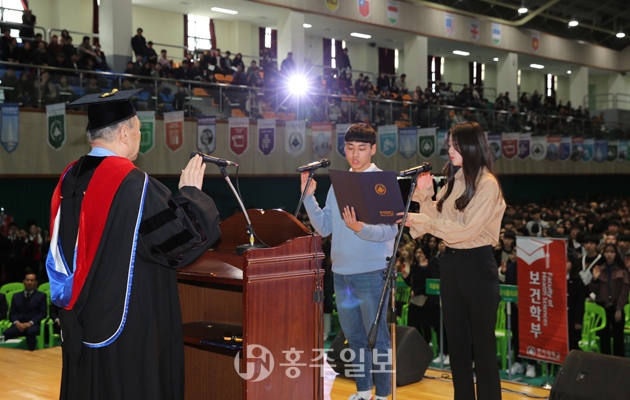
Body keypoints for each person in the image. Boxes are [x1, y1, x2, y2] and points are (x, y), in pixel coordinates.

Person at [45, 89, 222, 400]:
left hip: (81, 320)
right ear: (125, 134)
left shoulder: (69, 179)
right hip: (126, 325)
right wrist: (191, 194)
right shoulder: (133, 184)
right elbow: (179, 244)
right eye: (139, 130)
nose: (140, 136)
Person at [401, 121, 505, 400]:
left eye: (455, 145)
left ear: (471, 147)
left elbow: (466, 231)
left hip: (477, 265)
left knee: (483, 349)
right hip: (451, 264)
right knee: (457, 347)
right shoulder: (454, 179)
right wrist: (424, 195)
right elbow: (434, 221)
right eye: (448, 145)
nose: (450, 150)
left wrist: (423, 220)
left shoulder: (487, 184)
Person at [301, 123, 397, 400]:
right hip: (342, 272)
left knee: (377, 338)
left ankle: (383, 395)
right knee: (354, 338)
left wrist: (361, 229)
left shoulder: (382, 182)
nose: (355, 154)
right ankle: (364, 392)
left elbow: (391, 230)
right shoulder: (338, 184)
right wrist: (308, 197)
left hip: (372, 272)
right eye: (350, 148)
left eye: (362, 149)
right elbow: (324, 228)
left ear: (373, 149)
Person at [589, 244, 630, 357]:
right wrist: (595, 279)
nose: (609, 255)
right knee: (604, 337)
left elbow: (625, 291)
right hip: (602, 307)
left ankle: (619, 362)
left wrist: (619, 308)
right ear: (603, 254)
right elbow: (592, 289)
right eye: (607, 252)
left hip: (617, 306)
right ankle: (605, 361)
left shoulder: (622, 270)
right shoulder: (599, 269)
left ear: (616, 254)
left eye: (612, 252)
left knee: (618, 337)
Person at [3, 273, 47, 350]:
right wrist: (17, 323)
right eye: (27, 280)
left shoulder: (41, 296)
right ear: (23, 281)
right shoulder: (16, 296)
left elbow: (43, 313)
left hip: (33, 325)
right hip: (19, 324)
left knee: (30, 332)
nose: (29, 282)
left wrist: (30, 323)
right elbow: (12, 313)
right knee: (7, 333)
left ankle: (30, 353)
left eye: (32, 280)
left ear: (36, 283)